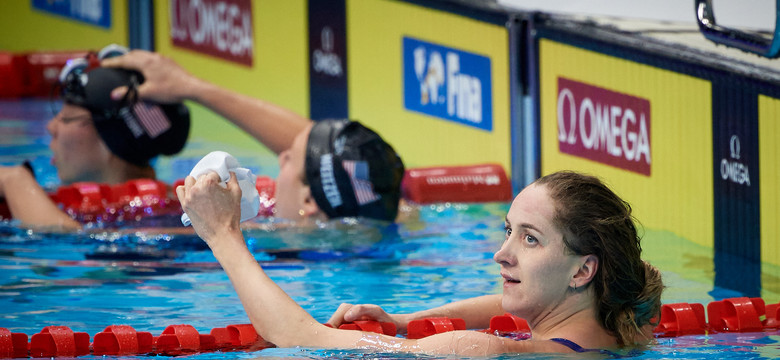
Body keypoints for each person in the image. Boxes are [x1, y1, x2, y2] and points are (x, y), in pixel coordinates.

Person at [176, 170, 664, 354]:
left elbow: (305, 339)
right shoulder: (630, 328)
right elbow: (518, 298)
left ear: (583, 270)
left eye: (530, 240)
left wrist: (222, 236)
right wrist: (408, 321)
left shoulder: (486, 352)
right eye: (507, 230)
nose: (502, 253)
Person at [102, 50, 405, 223]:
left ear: (309, 199)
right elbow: (326, 156)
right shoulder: (377, 208)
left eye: (289, 159)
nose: (281, 153)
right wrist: (188, 87)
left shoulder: (276, 255)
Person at [0, 45, 191, 230]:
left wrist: (15, 180)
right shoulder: (84, 205)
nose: (51, 127)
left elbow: (70, 239)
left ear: (112, 138)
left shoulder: (169, 211)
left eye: (67, 119)